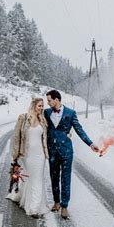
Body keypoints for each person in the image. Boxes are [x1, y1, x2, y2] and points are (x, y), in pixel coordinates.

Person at [44, 90, 99, 219]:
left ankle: (64, 206)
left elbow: (79, 130)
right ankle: (56, 202)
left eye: (49, 100)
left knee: (66, 179)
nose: (48, 102)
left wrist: (90, 144)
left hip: (66, 152)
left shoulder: (71, 113)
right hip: (52, 151)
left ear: (56, 99)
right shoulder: (46, 113)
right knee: (54, 177)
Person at [6, 98, 49, 218]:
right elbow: (17, 138)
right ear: (34, 105)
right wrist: (15, 156)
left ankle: (34, 208)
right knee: (28, 177)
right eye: (39, 106)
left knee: (37, 179)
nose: (41, 108)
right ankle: (21, 197)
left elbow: (47, 137)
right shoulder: (23, 118)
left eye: (42, 106)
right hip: (27, 155)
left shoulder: (43, 120)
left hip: (40, 155)